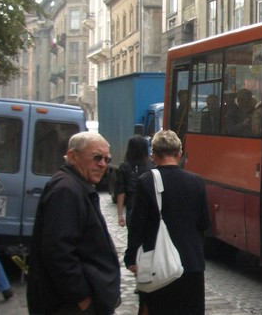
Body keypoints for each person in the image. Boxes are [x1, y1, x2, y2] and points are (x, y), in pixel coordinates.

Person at [27, 131, 121, 315]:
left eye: (106, 159)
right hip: (69, 305)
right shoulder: (67, 190)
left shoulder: (74, 186)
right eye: (96, 157)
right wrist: (83, 300)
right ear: (72, 157)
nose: (102, 164)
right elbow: (58, 251)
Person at [124, 130, 210, 315]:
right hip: (191, 263)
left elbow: (137, 224)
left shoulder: (146, 181)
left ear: (153, 154)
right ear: (179, 153)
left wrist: (131, 257)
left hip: (158, 262)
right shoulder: (197, 181)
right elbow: (204, 223)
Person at [114, 134, 155, 227]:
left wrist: (120, 215)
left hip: (132, 206)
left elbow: (121, 191)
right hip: (149, 208)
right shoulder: (152, 166)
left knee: (133, 238)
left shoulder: (124, 167)